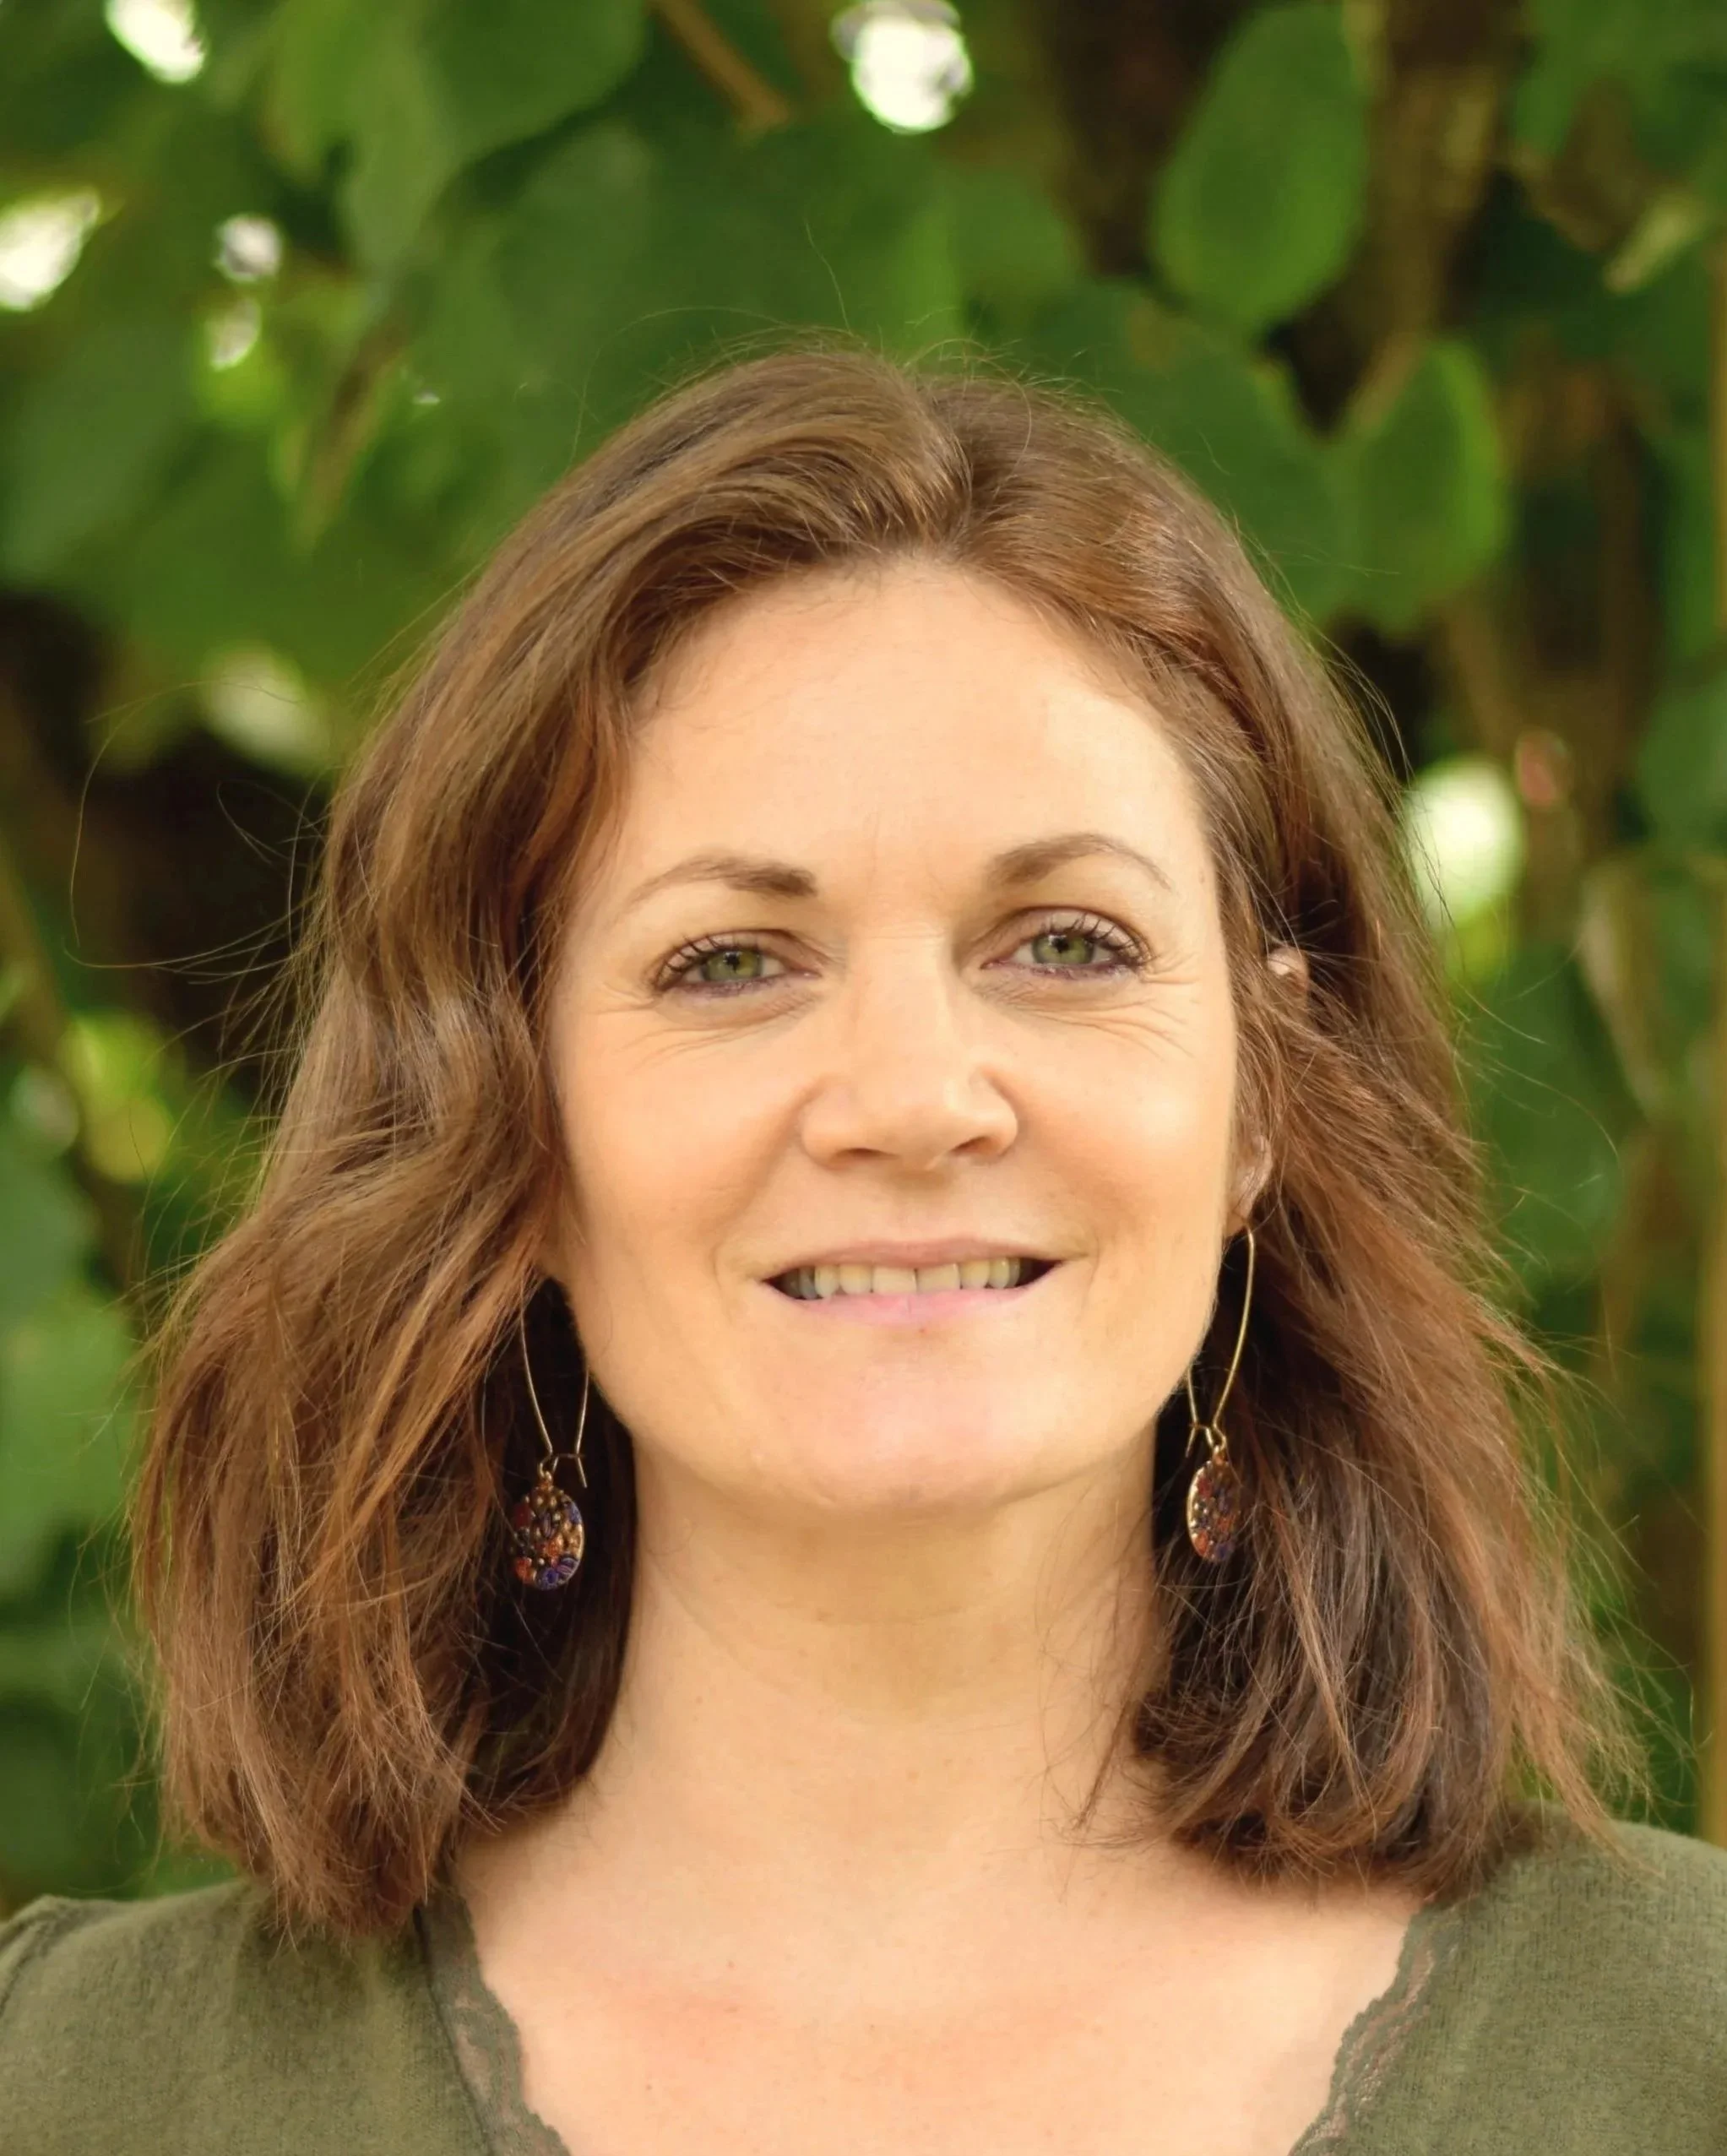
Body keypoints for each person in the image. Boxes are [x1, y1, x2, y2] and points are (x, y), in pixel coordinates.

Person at [3, 344, 1724, 2156]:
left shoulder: (1676, 2049)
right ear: (509, 1136)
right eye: (730, 963)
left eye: (1061, 943)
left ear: (1257, 1103)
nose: (910, 1098)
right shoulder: (82, 2090)